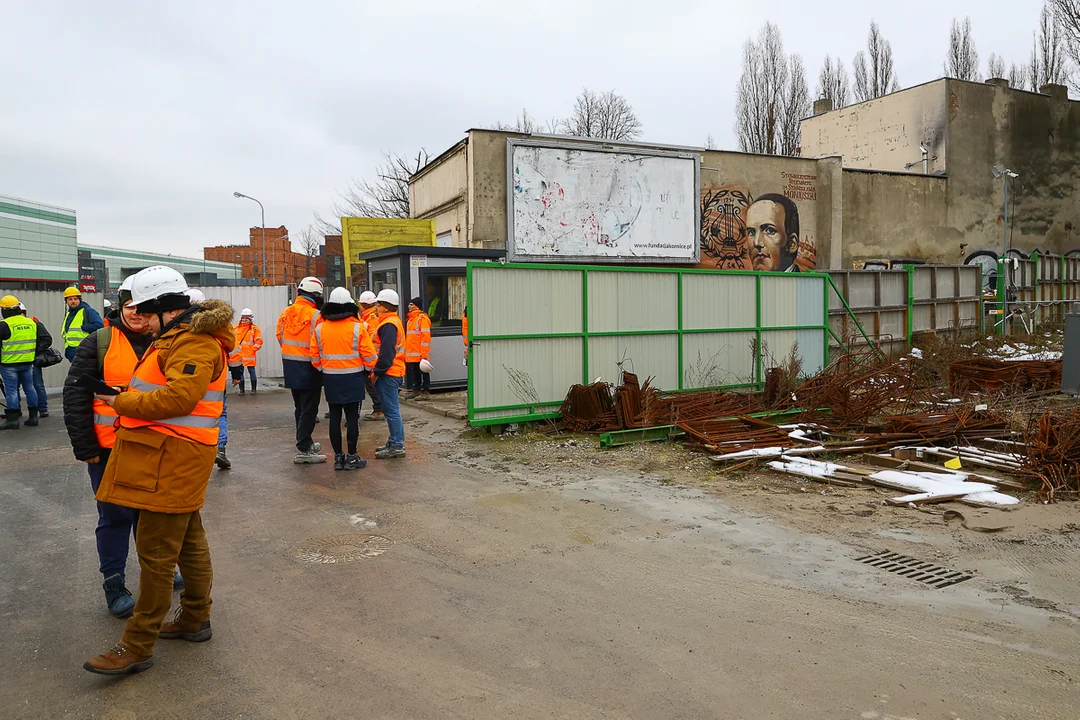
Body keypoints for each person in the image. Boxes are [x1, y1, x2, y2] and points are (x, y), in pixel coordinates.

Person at [83, 266, 234, 676]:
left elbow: (180, 399)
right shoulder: (177, 338)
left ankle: (137, 645)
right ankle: (194, 619)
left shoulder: (194, 342)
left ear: (165, 307)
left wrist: (121, 403)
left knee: (155, 553)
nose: (141, 320)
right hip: (173, 456)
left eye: (145, 312)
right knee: (188, 542)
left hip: (174, 459)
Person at [63, 276, 157, 617]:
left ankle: (158, 571)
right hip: (107, 450)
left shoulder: (165, 342)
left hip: (154, 448)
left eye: (142, 307)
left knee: (152, 515)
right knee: (114, 516)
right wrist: (84, 445)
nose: (135, 313)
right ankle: (114, 583)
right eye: (129, 306)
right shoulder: (98, 342)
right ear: (120, 306)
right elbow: (75, 395)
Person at [311, 288, 377, 471]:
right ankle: (352, 457)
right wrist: (368, 371)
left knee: (334, 417)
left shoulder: (320, 328)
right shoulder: (358, 327)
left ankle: (338, 458)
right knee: (352, 418)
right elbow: (370, 356)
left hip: (331, 379)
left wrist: (324, 370)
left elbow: (314, 357)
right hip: (354, 378)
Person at [276, 276, 326, 464]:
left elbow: (279, 336)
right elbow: (321, 342)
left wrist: (291, 352)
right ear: (316, 295)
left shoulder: (285, 312)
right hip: (310, 366)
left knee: (299, 407)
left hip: (290, 365)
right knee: (309, 409)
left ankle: (305, 441)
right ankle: (304, 448)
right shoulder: (316, 316)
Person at [371, 289, 406, 459]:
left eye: (378, 304)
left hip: (389, 373)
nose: (376, 307)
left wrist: (377, 372)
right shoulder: (391, 322)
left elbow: (386, 355)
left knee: (391, 411)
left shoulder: (388, 325)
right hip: (393, 371)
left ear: (385, 306)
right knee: (391, 410)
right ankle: (394, 442)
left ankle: (397, 445)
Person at [0, 295, 42, 429]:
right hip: (28, 362)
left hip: (9, 364)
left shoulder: (3, 325)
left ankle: (13, 420)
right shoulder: (31, 322)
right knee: (30, 388)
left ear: (4, 310)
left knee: (11, 391)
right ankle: (33, 417)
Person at [746, 194, 801, 272]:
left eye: (770, 230)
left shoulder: (804, 283)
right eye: (751, 232)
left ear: (792, 243)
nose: (756, 242)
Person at [22, 302, 55, 419]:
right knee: (33, 385)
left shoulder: (34, 323)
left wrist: (35, 350)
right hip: (20, 360)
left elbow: (47, 339)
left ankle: (42, 408)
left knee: (37, 385)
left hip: (31, 360)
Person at [358, 291, 384, 422]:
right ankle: (379, 408)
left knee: (371, 384)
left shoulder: (371, 318)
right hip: (374, 356)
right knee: (372, 384)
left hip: (372, 357)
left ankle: (379, 410)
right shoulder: (370, 316)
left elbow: (372, 338)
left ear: (364, 305)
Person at [62, 286, 105, 361]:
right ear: (66, 301)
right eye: (70, 299)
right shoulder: (69, 313)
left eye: (75, 299)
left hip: (85, 351)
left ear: (79, 300)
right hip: (72, 351)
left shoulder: (88, 311)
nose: (73, 301)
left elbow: (99, 325)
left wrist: (84, 328)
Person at [229, 308, 263, 395]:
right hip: (240, 355)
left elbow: (259, 342)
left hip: (247, 355)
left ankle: (252, 390)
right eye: (243, 317)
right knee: (242, 372)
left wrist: (252, 350)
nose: (245, 319)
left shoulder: (254, 329)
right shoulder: (236, 328)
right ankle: (242, 390)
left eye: (246, 317)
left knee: (251, 371)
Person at [404, 297, 432, 400]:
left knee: (424, 371)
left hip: (419, 352)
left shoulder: (422, 318)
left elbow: (425, 337)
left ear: (417, 306)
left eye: (412, 304)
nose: (409, 306)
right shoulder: (411, 319)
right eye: (409, 304)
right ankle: (416, 390)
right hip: (412, 352)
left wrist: (424, 353)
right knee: (415, 372)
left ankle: (425, 392)